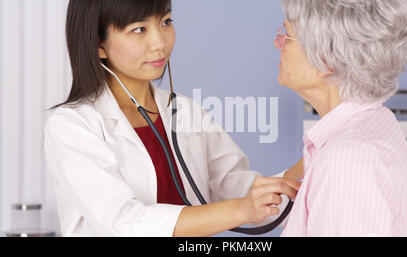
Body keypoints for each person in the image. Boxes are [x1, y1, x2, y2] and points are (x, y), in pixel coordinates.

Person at [43, 0, 303, 237]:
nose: (160, 43)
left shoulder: (185, 111)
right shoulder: (72, 126)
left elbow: (236, 188)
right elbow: (121, 221)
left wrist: (310, 163)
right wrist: (242, 210)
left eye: (165, 22)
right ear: (99, 44)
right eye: (139, 29)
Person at [275, 0, 407, 236]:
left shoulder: (346, 161)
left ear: (325, 60)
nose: (277, 42)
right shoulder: (374, 123)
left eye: (287, 34)